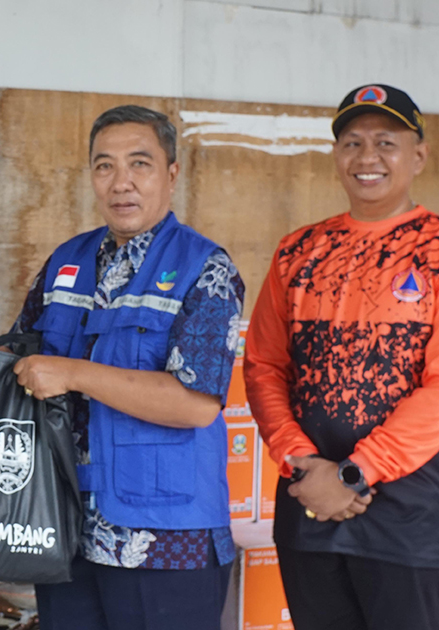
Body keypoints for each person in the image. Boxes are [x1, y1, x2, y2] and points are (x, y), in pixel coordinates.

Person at [0, 105, 242, 630]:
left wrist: (74, 373)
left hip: (164, 536)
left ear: (172, 173)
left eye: (139, 164)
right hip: (62, 525)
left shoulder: (205, 268)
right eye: (105, 166)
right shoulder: (68, 261)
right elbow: (23, 366)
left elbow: (195, 404)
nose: (120, 182)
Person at [245, 84, 438, 630]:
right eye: (352, 143)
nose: (366, 157)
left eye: (385, 142)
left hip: (409, 520)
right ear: (336, 156)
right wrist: (299, 461)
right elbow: (264, 367)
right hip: (308, 505)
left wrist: (355, 474)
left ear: (418, 156)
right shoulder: (297, 251)